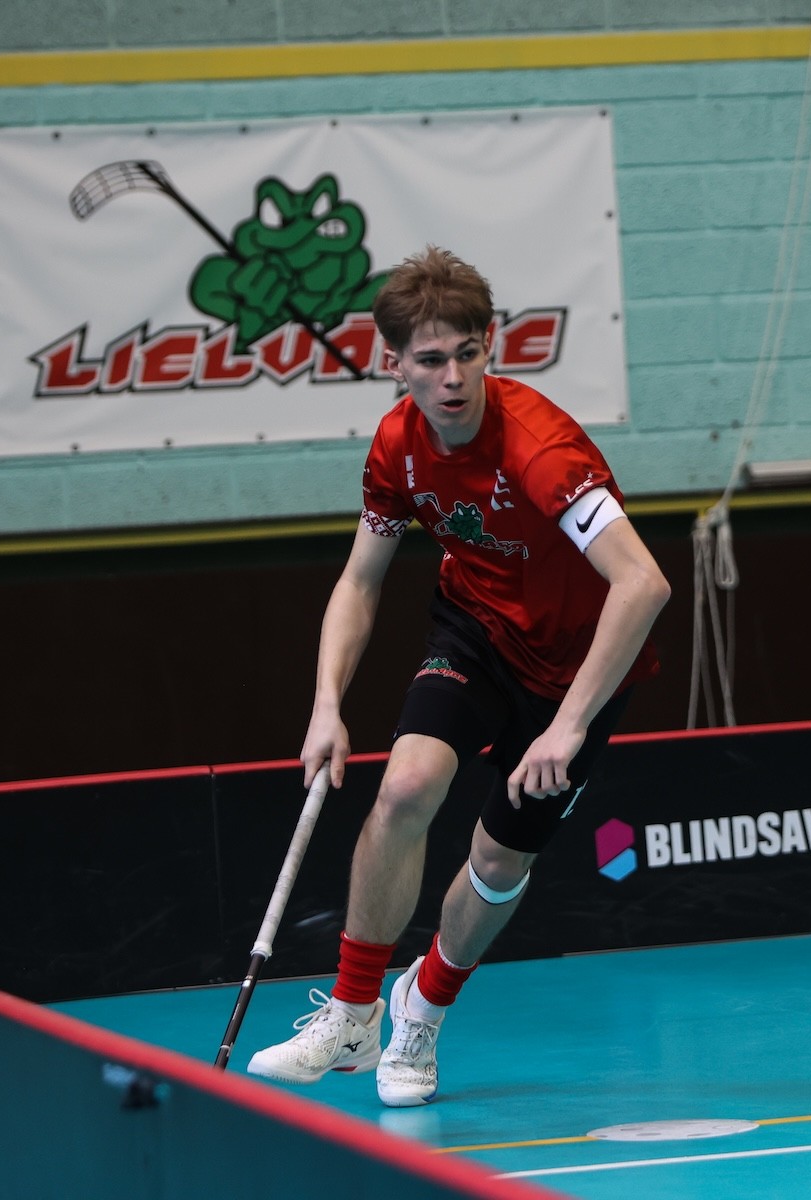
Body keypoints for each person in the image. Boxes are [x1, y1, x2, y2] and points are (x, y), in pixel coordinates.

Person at [246, 246, 670, 1105]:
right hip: (476, 632)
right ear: (394, 364)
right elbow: (359, 581)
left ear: (490, 346)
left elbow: (643, 583)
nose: (452, 378)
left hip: (579, 669)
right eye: (431, 360)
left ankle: (424, 1010)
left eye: (467, 354)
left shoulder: (541, 450)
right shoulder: (397, 447)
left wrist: (568, 724)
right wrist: (327, 706)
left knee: (497, 861)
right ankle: (354, 1014)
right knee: (405, 788)